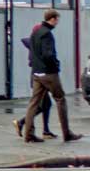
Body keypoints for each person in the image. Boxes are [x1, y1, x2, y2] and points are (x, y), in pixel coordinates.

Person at [15, 8, 79, 144]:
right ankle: (67, 133)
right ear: (53, 19)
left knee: (34, 103)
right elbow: (48, 55)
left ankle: (29, 135)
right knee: (60, 99)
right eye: (57, 19)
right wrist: (55, 65)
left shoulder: (35, 32)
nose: (57, 22)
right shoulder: (47, 34)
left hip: (36, 73)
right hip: (49, 73)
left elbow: (32, 49)